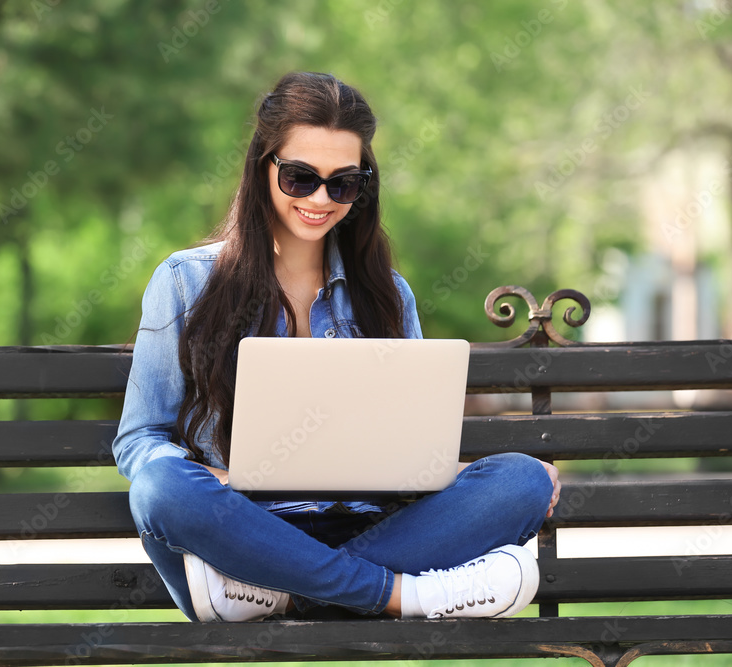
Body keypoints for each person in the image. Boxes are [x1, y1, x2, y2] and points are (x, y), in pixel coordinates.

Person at [113, 71, 560, 623]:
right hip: (240, 529)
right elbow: (140, 440)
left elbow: (412, 447)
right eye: (301, 178)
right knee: (160, 488)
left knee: (523, 479)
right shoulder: (185, 281)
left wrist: (450, 468)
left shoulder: (389, 295)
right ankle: (402, 597)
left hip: (365, 528)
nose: (321, 200)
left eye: (343, 183)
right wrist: (213, 480)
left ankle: (275, 595)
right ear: (263, 168)